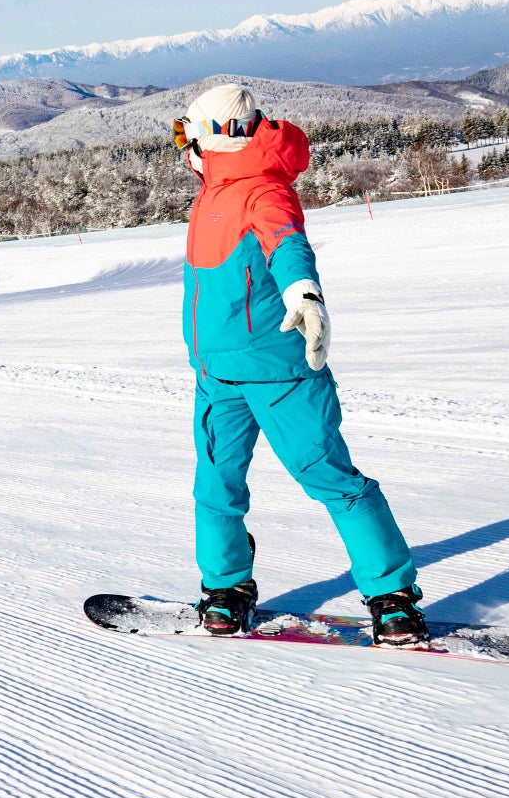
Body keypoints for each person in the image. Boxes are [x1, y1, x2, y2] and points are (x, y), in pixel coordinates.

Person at [175, 82, 428, 646]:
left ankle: (392, 597)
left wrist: (304, 294)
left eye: (184, 133)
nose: (181, 148)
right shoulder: (212, 192)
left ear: (214, 136)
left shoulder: (262, 190)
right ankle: (225, 589)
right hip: (216, 376)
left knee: (331, 478)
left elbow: (288, 244)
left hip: (281, 373)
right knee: (214, 487)